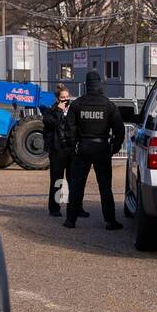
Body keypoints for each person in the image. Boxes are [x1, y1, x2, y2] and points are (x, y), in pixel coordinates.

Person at [64, 70, 125, 230]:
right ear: (100, 84)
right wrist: (114, 147)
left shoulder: (77, 104)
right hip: (102, 148)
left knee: (77, 186)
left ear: (86, 85)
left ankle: (70, 220)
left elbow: (69, 129)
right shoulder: (108, 105)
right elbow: (119, 129)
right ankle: (110, 221)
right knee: (105, 187)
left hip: (82, 148)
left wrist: (73, 147)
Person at [41, 84, 75, 218]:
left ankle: (76, 207)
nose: (65, 100)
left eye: (67, 97)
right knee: (57, 181)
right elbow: (50, 123)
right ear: (57, 99)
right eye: (62, 98)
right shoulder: (51, 111)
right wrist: (59, 112)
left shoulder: (73, 110)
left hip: (71, 149)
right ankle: (55, 208)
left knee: (73, 181)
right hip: (57, 150)